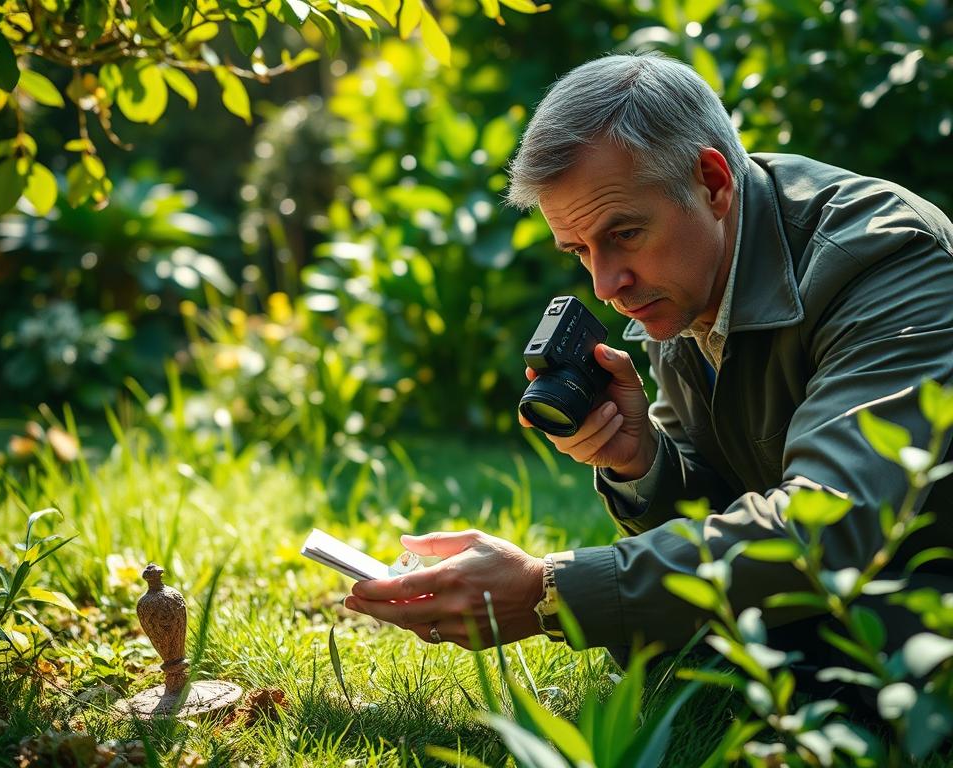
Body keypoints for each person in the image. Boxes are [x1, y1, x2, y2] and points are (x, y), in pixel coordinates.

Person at [344, 51, 953, 664]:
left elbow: (828, 525)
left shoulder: (886, 261)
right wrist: (644, 464)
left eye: (624, 234)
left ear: (713, 184)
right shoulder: (689, 278)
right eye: (578, 250)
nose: (606, 284)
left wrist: (548, 590)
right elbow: (720, 511)